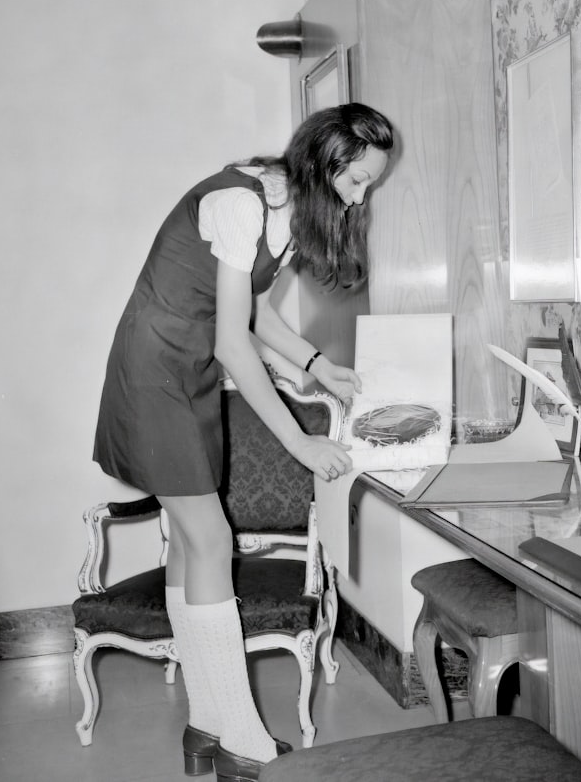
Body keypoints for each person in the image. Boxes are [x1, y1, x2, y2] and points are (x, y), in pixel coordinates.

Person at [93, 103, 394, 782]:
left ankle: (207, 725)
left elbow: (255, 313)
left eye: (369, 186)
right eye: (355, 183)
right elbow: (234, 341)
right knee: (209, 538)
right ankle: (243, 742)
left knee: (194, 541)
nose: (359, 198)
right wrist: (300, 443)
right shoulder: (241, 201)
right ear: (322, 166)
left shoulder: (282, 217)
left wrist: (319, 367)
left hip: (184, 366)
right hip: (157, 368)